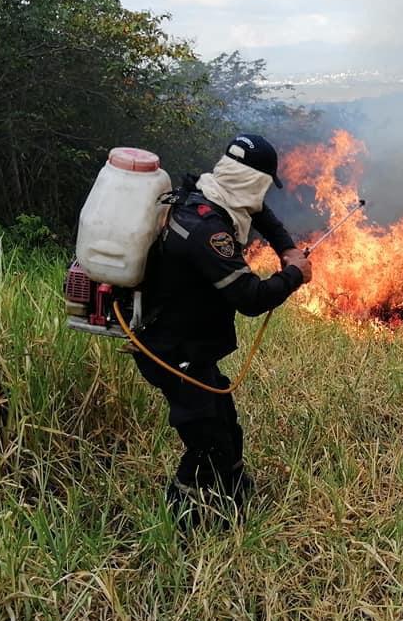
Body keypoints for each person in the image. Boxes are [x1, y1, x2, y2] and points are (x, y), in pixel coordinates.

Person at [132, 134, 311, 528]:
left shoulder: (207, 192)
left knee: (225, 422)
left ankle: (235, 497)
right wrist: (295, 275)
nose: (262, 196)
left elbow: (261, 212)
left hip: (190, 344)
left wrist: (287, 249)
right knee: (207, 443)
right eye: (262, 185)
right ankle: (179, 523)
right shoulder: (208, 233)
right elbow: (249, 298)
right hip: (172, 351)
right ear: (252, 181)